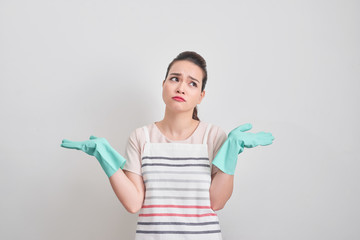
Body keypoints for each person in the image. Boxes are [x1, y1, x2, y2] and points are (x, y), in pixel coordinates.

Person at [61, 51, 274, 240]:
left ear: (201, 96)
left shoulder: (212, 135)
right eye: (175, 79)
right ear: (164, 85)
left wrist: (231, 153)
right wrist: (105, 158)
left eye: (192, 83)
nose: (181, 87)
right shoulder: (141, 137)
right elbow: (134, 203)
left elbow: (217, 202)